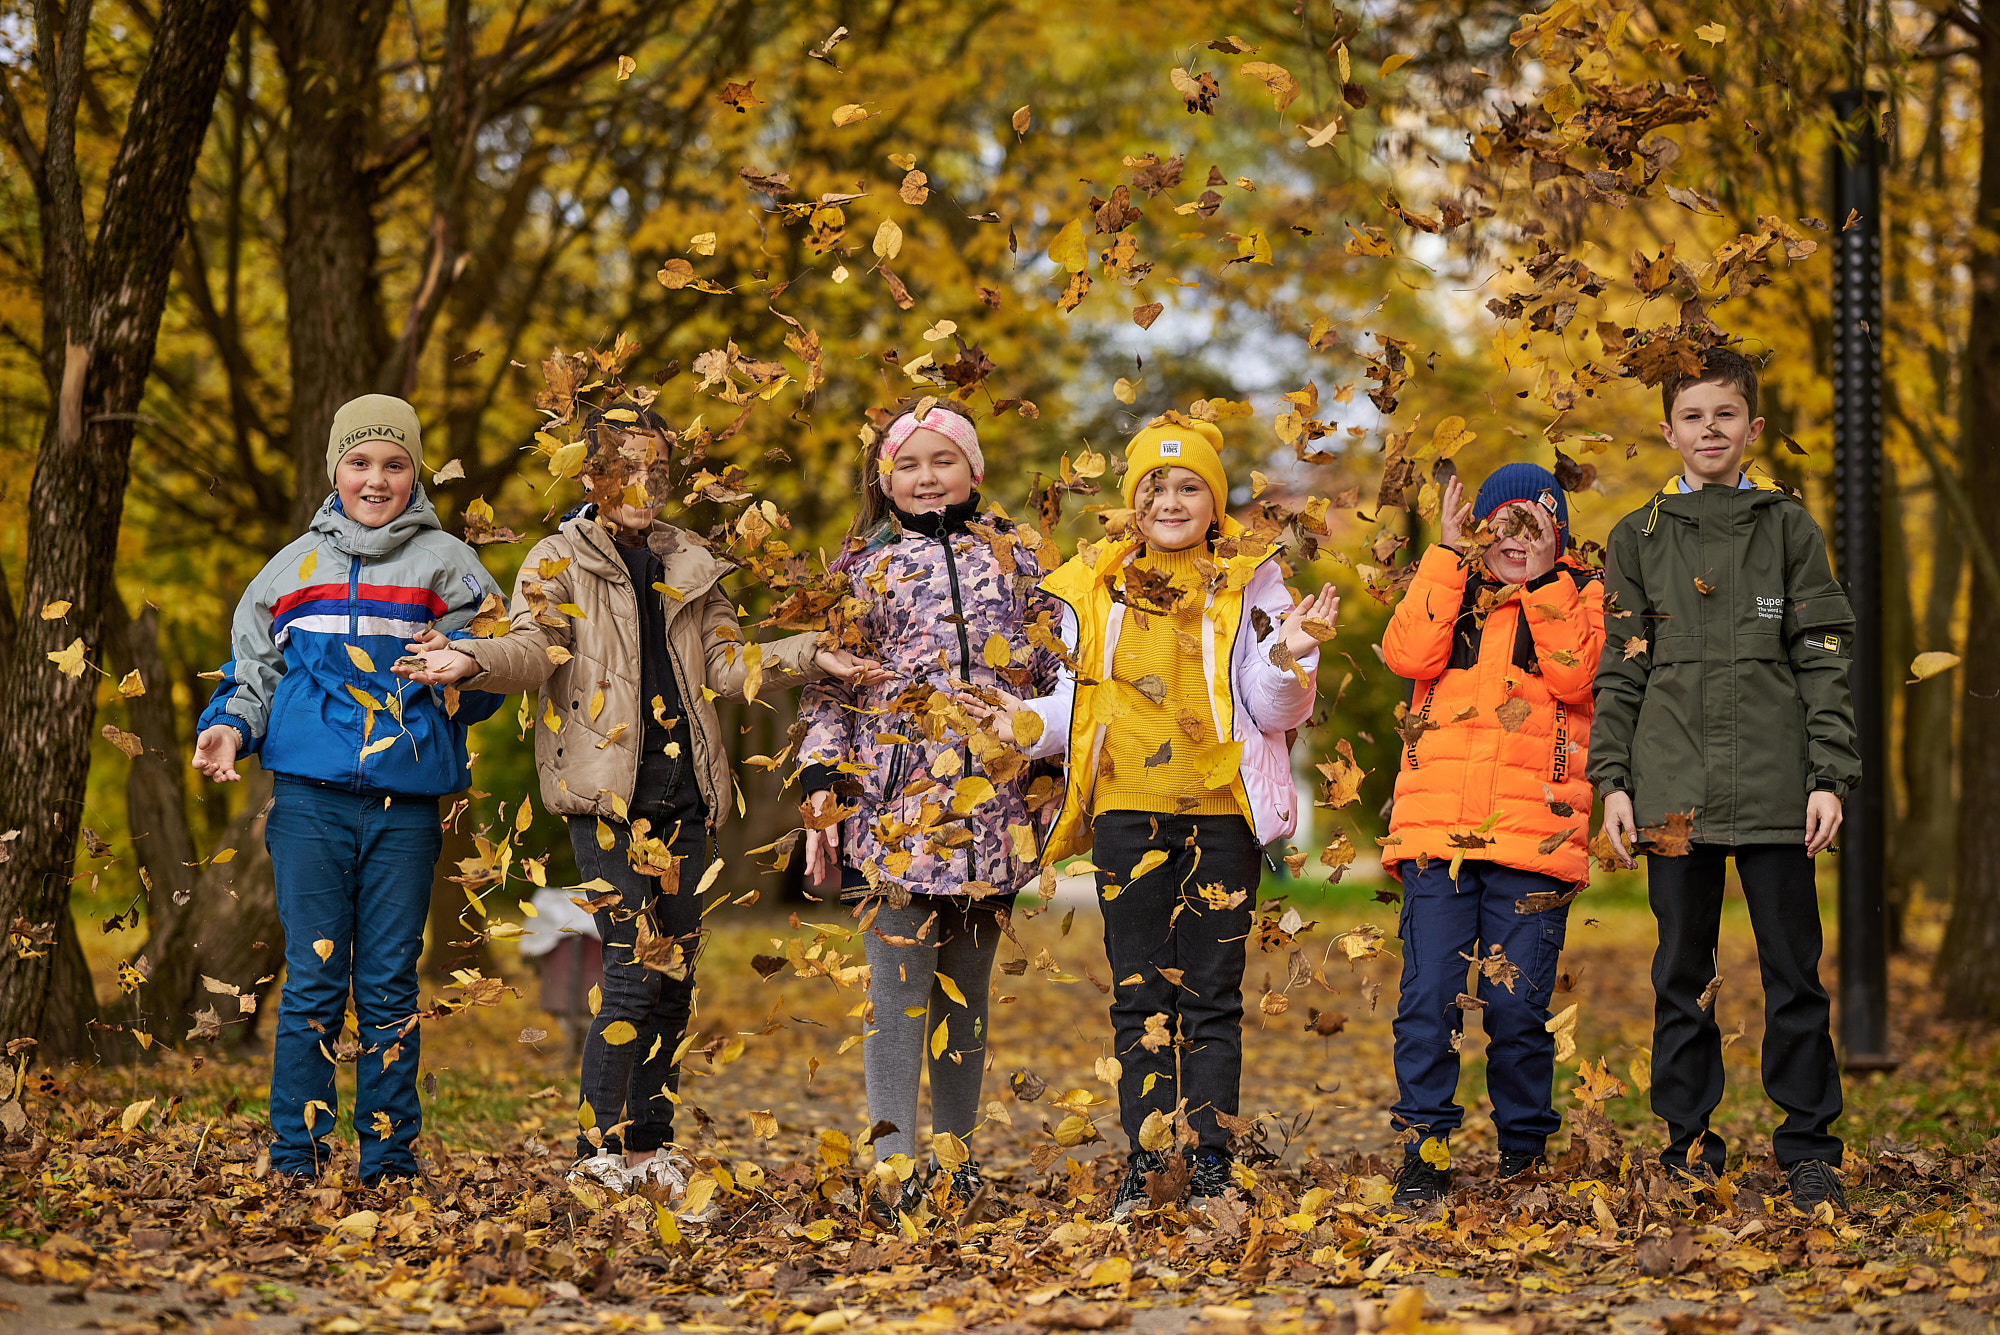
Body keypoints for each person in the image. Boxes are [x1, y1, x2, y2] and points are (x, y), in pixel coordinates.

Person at [394, 400, 875, 1203]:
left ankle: (650, 1144)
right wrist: (468, 660)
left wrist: (811, 653)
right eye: (624, 468)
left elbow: (726, 665)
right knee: (628, 967)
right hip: (606, 797)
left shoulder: (691, 555)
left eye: (656, 468)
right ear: (591, 477)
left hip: (686, 797)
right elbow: (530, 647)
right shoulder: (557, 557)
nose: (642, 484)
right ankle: (595, 1149)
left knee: (675, 974)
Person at [976, 415, 1337, 1219]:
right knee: (1139, 993)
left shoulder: (1253, 582)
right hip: (1126, 814)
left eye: (1188, 485)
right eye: (1154, 486)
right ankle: (1148, 1164)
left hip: (1220, 815)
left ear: (1215, 500)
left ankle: (1209, 1162)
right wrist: (1023, 723)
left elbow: (1269, 706)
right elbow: (1077, 703)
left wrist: (1292, 652)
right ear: (1130, 501)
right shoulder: (1093, 581)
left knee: (1211, 992)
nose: (1170, 498)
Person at [192, 394, 506, 1186]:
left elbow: (497, 668)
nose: (376, 478)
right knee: (315, 978)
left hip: (405, 808)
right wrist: (230, 727)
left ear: (415, 472)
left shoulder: (451, 566)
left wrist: (460, 664)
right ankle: (296, 1154)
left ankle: (389, 1160)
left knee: (391, 984)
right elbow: (254, 671)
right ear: (335, 468)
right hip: (309, 803)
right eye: (360, 462)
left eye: (394, 463)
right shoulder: (291, 568)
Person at [1590, 346, 1859, 1212]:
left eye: (1727, 415)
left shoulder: (1789, 529)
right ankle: (1688, 1143)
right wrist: (1614, 780)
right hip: (1672, 793)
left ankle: (1810, 1146)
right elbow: (1620, 668)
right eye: (1694, 416)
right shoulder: (1637, 537)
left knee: (1794, 972)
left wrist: (1830, 775)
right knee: (1681, 973)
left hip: (1781, 791)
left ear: (1754, 428)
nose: (1711, 430)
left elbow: (1821, 659)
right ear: (1669, 431)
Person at [796, 402, 1062, 1227]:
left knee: (965, 991)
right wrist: (820, 781)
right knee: (896, 986)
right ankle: (892, 1160)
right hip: (894, 803)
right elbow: (829, 686)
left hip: (994, 810)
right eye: (910, 465)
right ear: (887, 479)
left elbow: (1058, 663)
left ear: (973, 471)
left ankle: (954, 1157)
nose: (927, 477)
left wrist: (1049, 765)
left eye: (943, 461)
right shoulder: (862, 567)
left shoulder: (1015, 559)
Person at [1378, 462, 1604, 1208]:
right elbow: (1407, 654)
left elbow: (1577, 677)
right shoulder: (1455, 591)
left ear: (1557, 536)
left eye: (1533, 527)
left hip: (1533, 841)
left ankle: (1523, 1151)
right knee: (1430, 997)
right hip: (1439, 835)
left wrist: (1543, 584)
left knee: (1516, 1007)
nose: (1515, 541)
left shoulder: (1580, 598)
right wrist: (1445, 556)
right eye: (1501, 525)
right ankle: (1426, 1149)